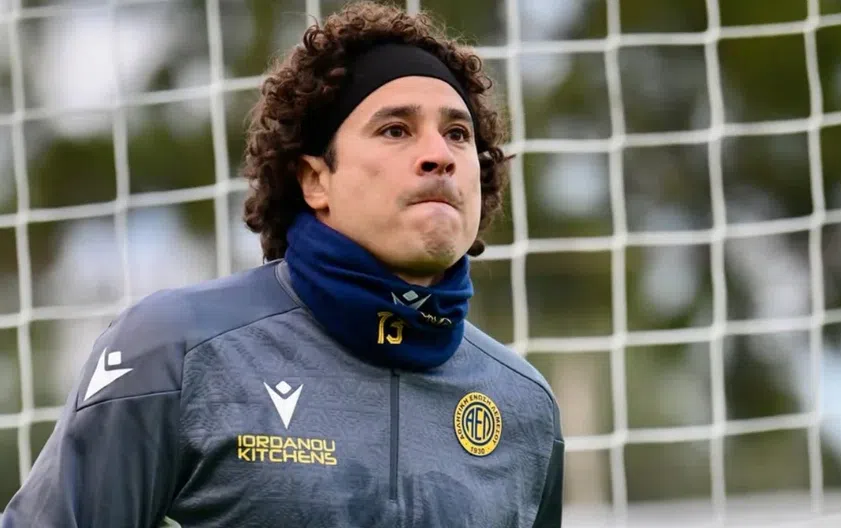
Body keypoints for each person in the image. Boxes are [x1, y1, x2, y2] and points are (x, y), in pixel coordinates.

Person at [2, 2, 564, 526]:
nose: (440, 155)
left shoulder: (525, 407)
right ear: (315, 179)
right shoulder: (173, 350)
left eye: (458, 134)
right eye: (395, 129)